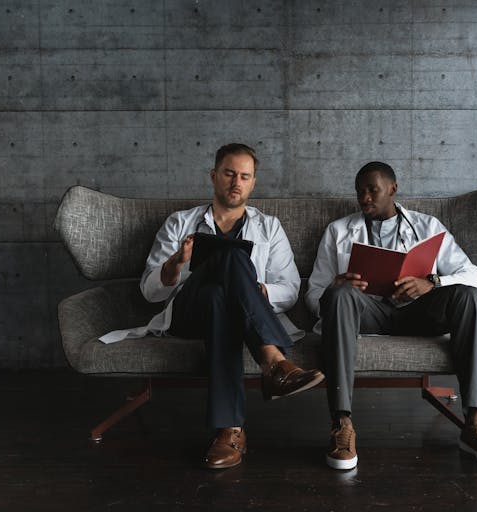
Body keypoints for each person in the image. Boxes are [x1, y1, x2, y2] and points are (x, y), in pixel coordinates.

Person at [105, 143, 324, 469]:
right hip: (187, 314)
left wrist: (247, 290)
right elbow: (150, 291)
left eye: (245, 176)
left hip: (225, 313)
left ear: (253, 183)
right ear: (213, 176)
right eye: (229, 174)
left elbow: (290, 289)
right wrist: (176, 263)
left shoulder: (269, 227)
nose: (236, 182)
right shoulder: (180, 223)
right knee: (231, 256)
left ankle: (229, 431)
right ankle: (274, 361)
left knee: (221, 298)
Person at [306, 161, 477, 470]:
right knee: (340, 294)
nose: (365, 198)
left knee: (466, 295)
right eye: (360, 192)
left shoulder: (428, 227)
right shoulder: (339, 231)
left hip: (419, 313)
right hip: (366, 313)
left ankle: (474, 421)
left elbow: (473, 276)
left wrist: (432, 283)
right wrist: (336, 286)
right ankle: (341, 423)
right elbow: (313, 294)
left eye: (372, 190)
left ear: (393, 189)